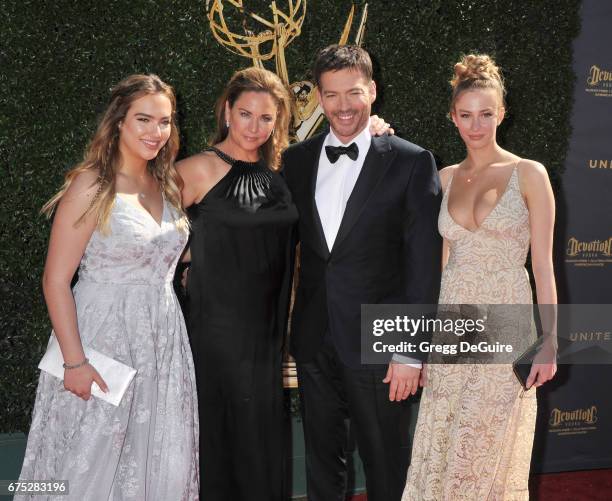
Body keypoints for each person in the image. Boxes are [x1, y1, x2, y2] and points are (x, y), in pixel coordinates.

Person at [17, 75, 199, 500]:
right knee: (87, 465)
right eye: (144, 119)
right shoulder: (91, 184)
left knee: (160, 462)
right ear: (118, 121)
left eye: (165, 122)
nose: (156, 132)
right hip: (102, 341)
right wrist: (74, 362)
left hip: (162, 341)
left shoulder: (167, 184)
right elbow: (56, 279)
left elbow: (164, 255)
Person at [281, 44, 442, 501]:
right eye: (330, 95)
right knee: (321, 461)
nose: (343, 106)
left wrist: (411, 351)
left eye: (353, 92)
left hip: (381, 339)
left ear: (372, 90)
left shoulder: (411, 161)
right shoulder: (296, 161)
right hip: (315, 339)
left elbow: (422, 265)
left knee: (385, 462)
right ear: (319, 98)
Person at [402, 54, 557, 500]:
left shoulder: (529, 174)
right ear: (453, 117)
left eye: (486, 114)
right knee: (445, 443)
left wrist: (549, 341)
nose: (476, 125)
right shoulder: (445, 178)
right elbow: (440, 267)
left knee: (486, 448)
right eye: (466, 115)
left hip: (507, 323)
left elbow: (543, 266)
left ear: (501, 113)